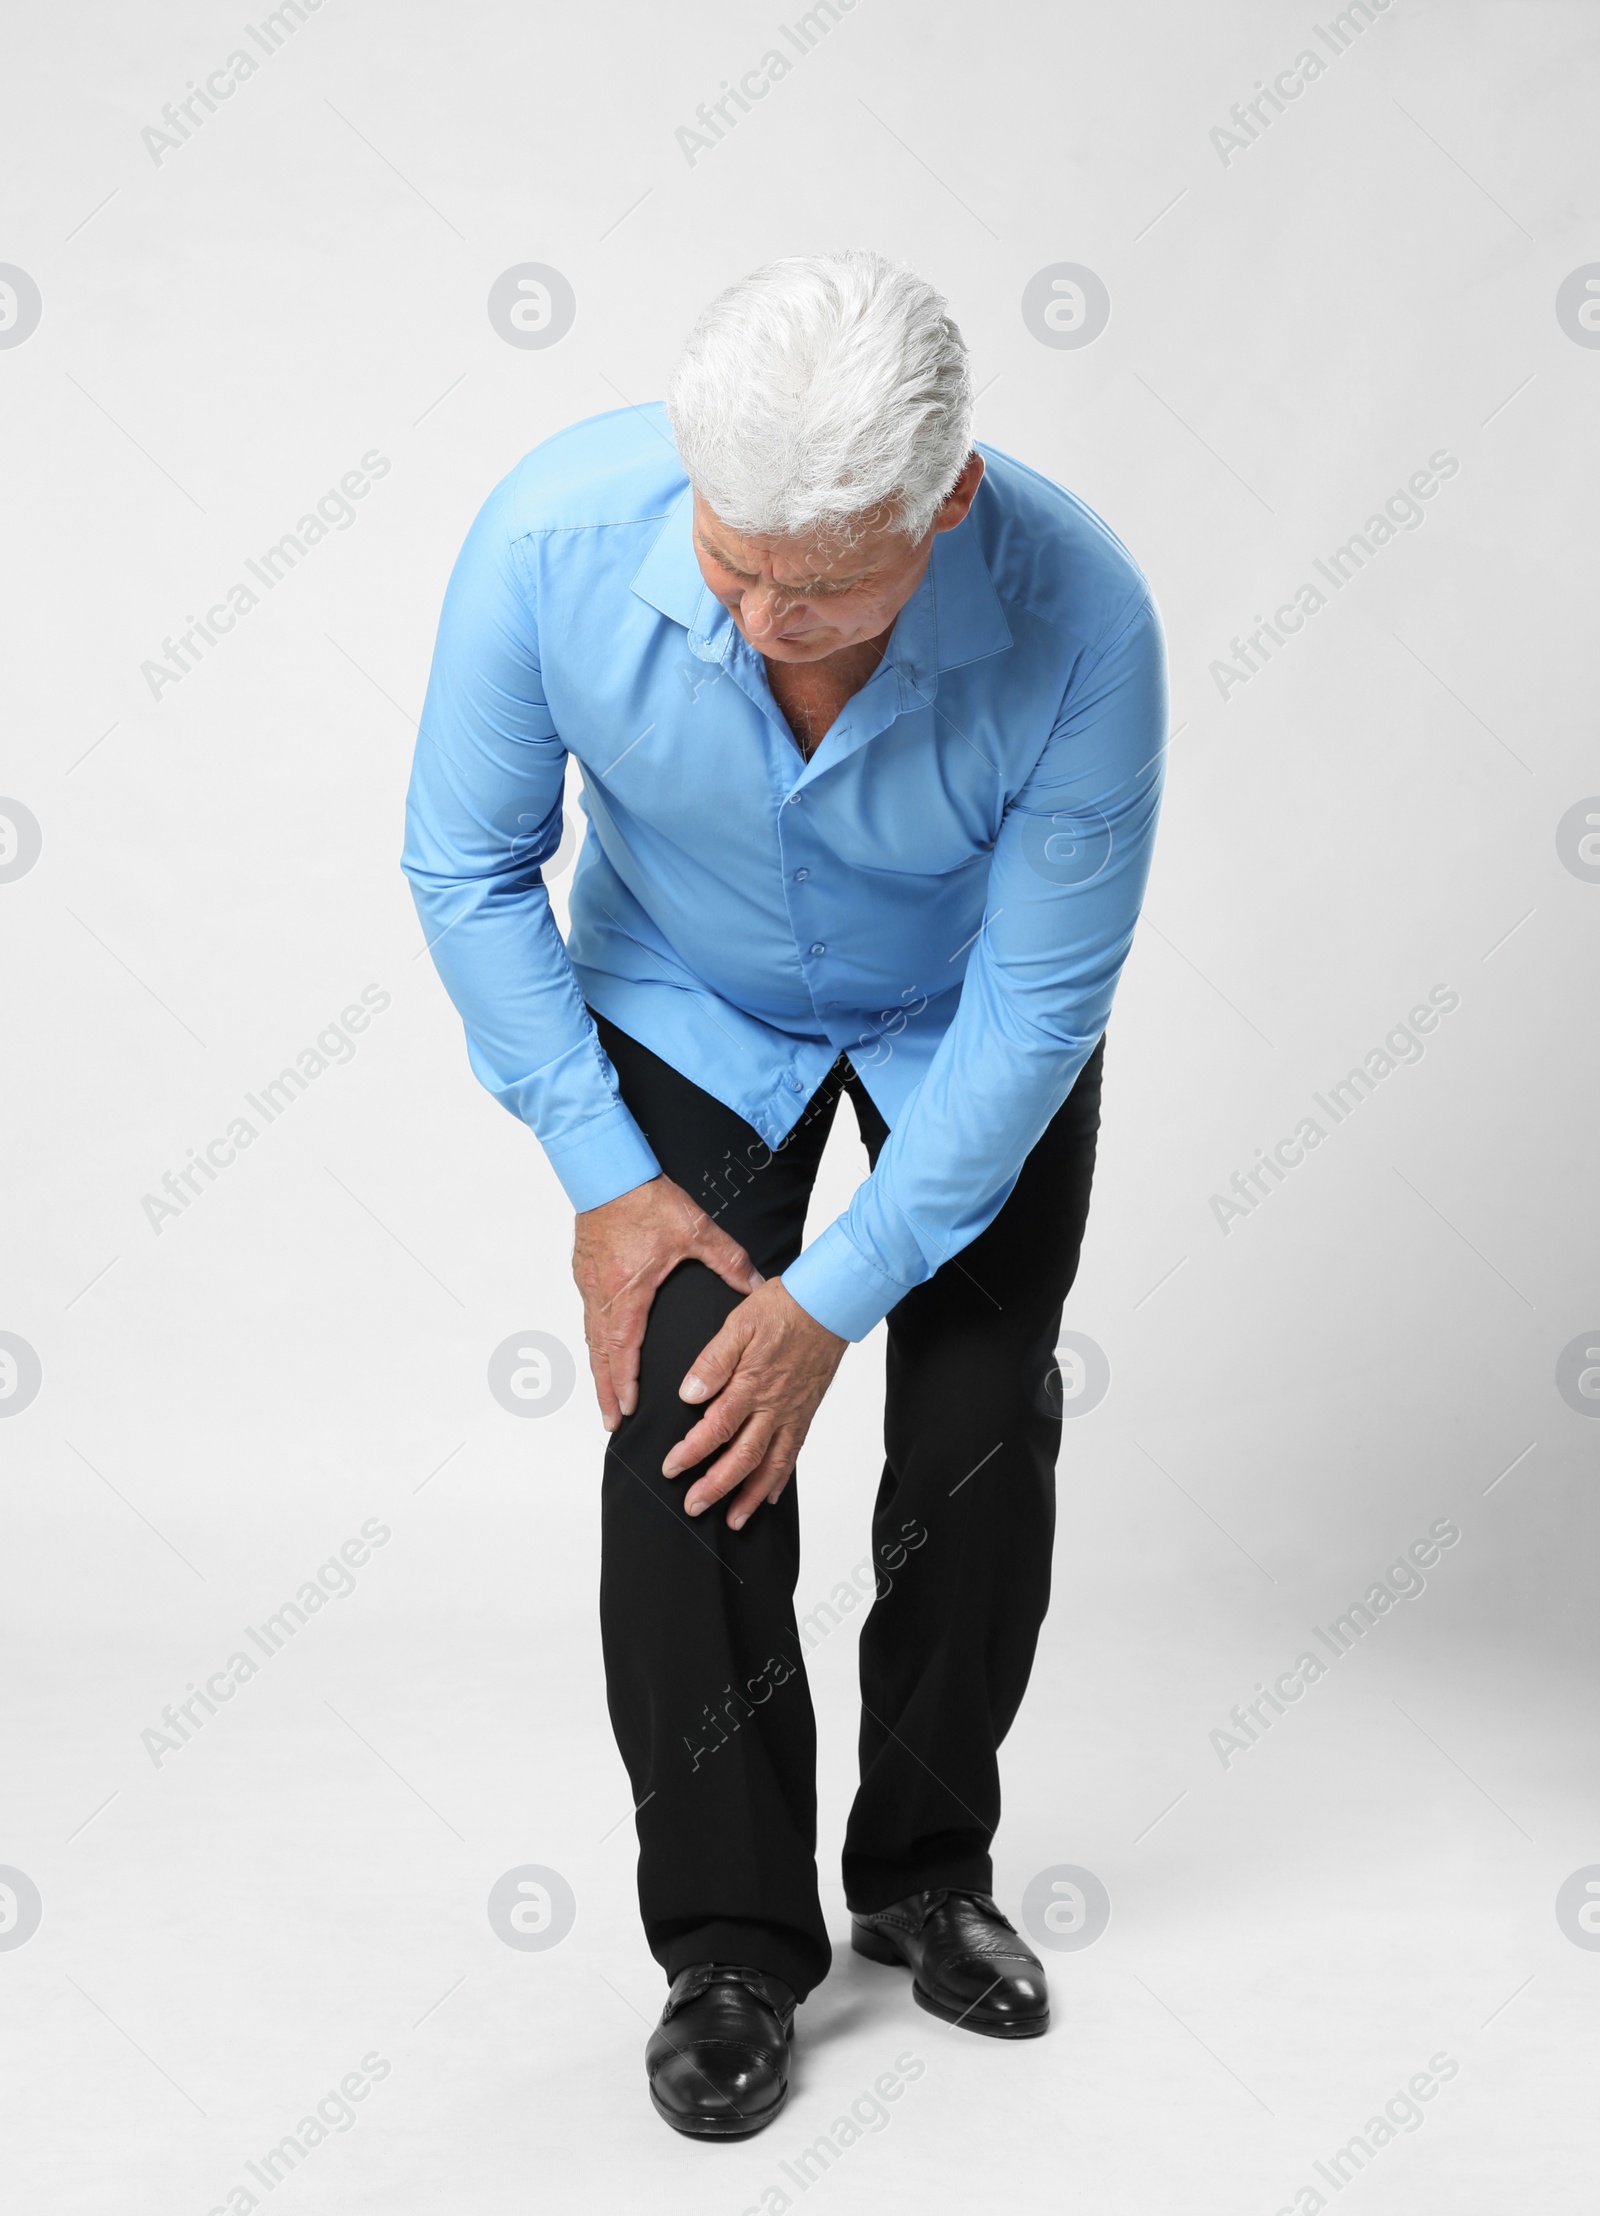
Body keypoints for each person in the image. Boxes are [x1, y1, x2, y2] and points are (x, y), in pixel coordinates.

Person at [402, 249, 1166, 2139]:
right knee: (692, 1423)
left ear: (948, 505)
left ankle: (921, 1871)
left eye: (820, 583)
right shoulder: (550, 541)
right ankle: (732, 1944)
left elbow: (1047, 998)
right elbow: (466, 867)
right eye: (733, 559)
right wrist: (604, 1176)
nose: (757, 615)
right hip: (687, 993)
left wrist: (841, 1295)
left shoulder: (1088, 623)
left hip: (960, 1019)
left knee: (981, 1423)